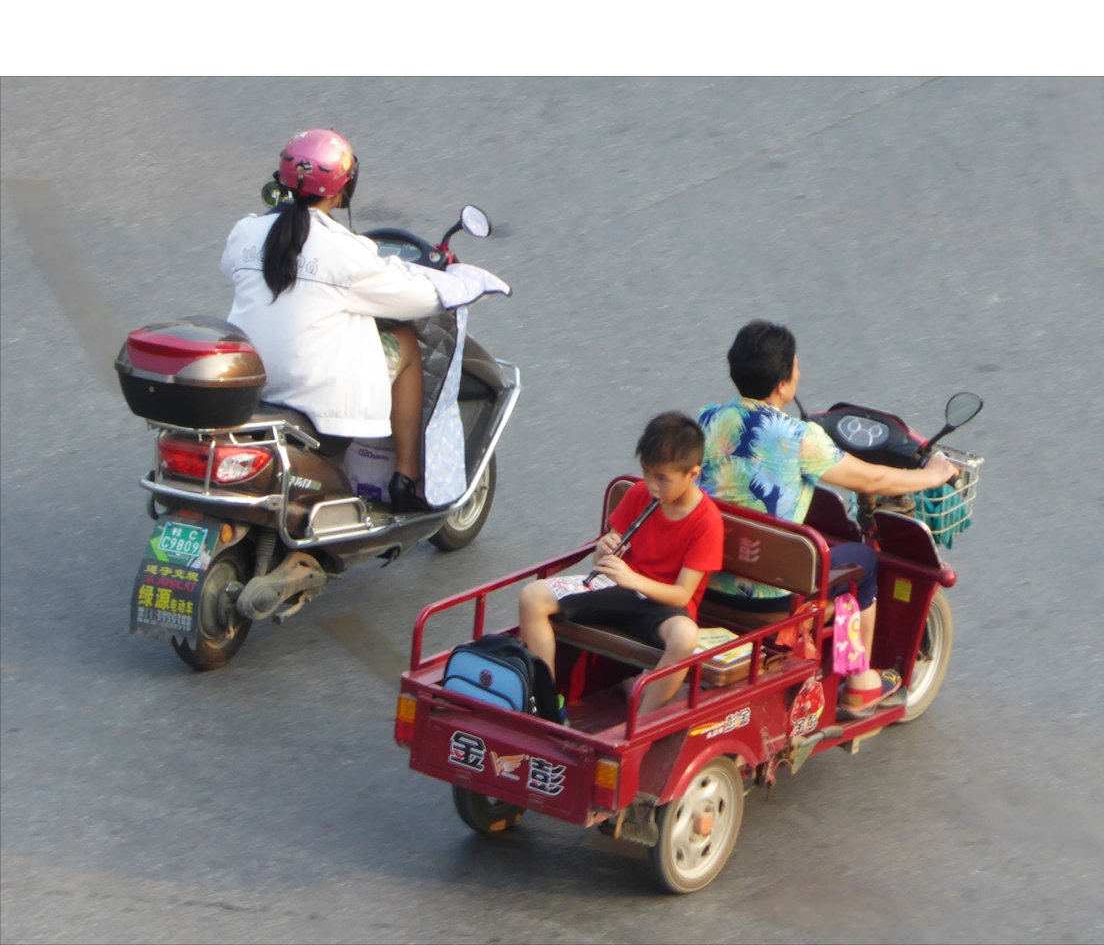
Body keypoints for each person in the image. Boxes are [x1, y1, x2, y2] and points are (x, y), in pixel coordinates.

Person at [222, 128, 506, 512]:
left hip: (255, 384)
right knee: (404, 340)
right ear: (344, 188)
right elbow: (418, 298)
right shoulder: (344, 250)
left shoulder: (246, 231)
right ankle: (407, 477)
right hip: (316, 401)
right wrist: (459, 282)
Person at [698, 320, 958, 718]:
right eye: (795, 367)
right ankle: (861, 683)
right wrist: (933, 474)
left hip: (706, 584)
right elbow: (872, 477)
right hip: (773, 604)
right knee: (864, 562)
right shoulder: (801, 438)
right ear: (784, 384)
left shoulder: (707, 421)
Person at [518, 412, 725, 716]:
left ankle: (642, 722)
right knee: (532, 596)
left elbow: (682, 595)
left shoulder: (707, 521)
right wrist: (603, 551)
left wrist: (633, 579)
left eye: (663, 479)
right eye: (647, 473)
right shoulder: (639, 494)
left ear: (693, 474)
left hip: (663, 607)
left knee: (685, 638)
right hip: (619, 591)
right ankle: (546, 702)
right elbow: (606, 559)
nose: (652, 486)